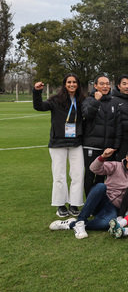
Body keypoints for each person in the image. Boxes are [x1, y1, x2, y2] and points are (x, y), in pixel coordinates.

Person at [49, 146, 128, 239]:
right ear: (127, 157)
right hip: (102, 199)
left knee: (107, 224)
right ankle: (81, 220)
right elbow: (94, 168)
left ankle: (72, 224)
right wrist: (102, 157)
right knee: (100, 186)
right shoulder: (116, 166)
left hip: (114, 207)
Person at [33, 74, 86, 217]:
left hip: (76, 142)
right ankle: (60, 204)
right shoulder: (56, 100)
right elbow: (39, 106)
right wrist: (37, 92)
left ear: (78, 84)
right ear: (64, 84)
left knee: (78, 174)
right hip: (58, 143)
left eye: (74, 82)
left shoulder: (82, 100)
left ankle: (75, 203)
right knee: (59, 175)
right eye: (69, 82)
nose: (72, 84)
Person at [81, 75, 122, 196]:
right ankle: (89, 202)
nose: (105, 86)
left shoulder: (114, 102)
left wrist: (115, 146)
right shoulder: (89, 100)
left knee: (101, 177)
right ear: (95, 86)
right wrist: (95, 101)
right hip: (91, 147)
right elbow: (87, 115)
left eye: (107, 84)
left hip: (107, 149)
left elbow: (118, 125)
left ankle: (97, 202)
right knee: (89, 175)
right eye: (102, 84)